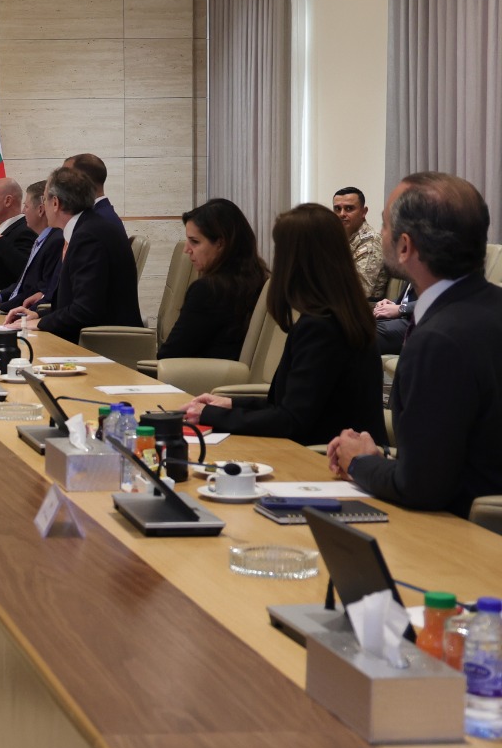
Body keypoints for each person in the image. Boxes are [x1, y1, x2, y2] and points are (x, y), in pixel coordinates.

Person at [328, 172, 502, 516]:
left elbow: (421, 487)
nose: (381, 235)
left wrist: (359, 462)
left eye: (384, 226)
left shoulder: (437, 341)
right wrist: (385, 460)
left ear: (405, 246)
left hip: (458, 533)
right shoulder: (488, 307)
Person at [182, 204, 385, 447]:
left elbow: (291, 421)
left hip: (320, 458)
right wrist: (230, 404)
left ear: (294, 260)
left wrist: (209, 415)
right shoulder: (343, 315)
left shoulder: (321, 328)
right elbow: (292, 404)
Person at [5, 167, 141, 341]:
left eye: (45, 199)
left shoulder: (88, 237)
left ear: (55, 203)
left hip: (104, 343)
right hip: (88, 334)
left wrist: (41, 323)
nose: (44, 207)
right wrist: (38, 316)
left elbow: (86, 310)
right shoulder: (87, 227)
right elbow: (74, 303)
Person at [157, 199, 268, 361]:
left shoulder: (207, 291)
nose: (187, 249)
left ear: (220, 244)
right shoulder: (260, 279)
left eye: (195, 242)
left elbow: (169, 355)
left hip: (198, 376)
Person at [0, 181, 62, 312]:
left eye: (26, 206)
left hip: (24, 311)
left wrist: (0, 308)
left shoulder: (55, 241)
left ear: (40, 210)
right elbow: (23, 284)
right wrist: (0, 296)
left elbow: (36, 290)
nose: (23, 212)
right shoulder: (41, 240)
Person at [334, 186, 387, 298]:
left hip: (362, 307)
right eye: (337, 209)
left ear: (363, 212)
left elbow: (359, 292)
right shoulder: (338, 239)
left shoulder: (371, 242)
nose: (342, 214)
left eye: (349, 208)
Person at [63, 153, 124, 228]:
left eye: (65, 178)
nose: (60, 185)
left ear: (84, 181)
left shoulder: (96, 222)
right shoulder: (98, 215)